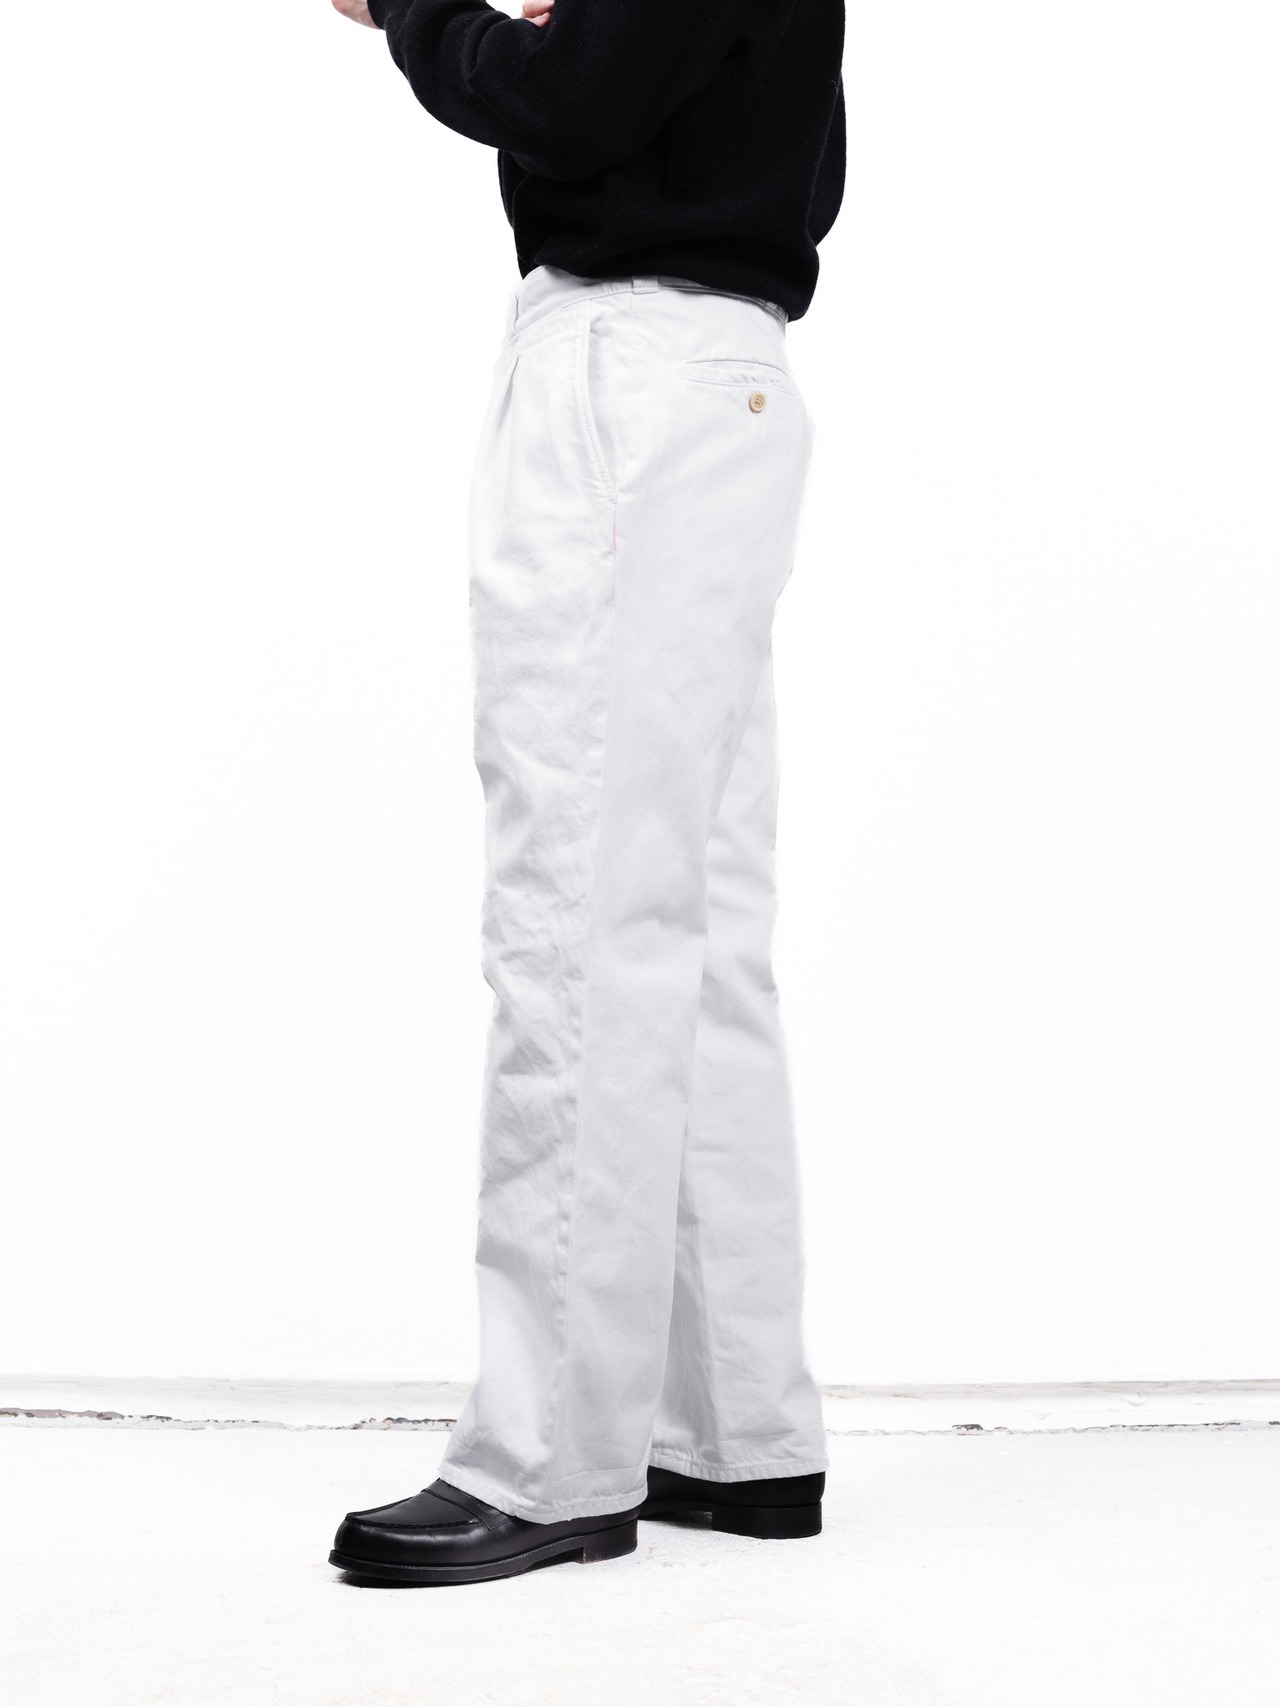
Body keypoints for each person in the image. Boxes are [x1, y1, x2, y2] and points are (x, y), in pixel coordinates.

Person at [327, 0, 845, 1586]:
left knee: (579, 923)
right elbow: (688, 100)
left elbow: (573, 102)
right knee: (694, 936)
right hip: (724, 381)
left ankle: (548, 1462)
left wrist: (420, 11)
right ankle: (736, 1435)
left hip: (626, 377)